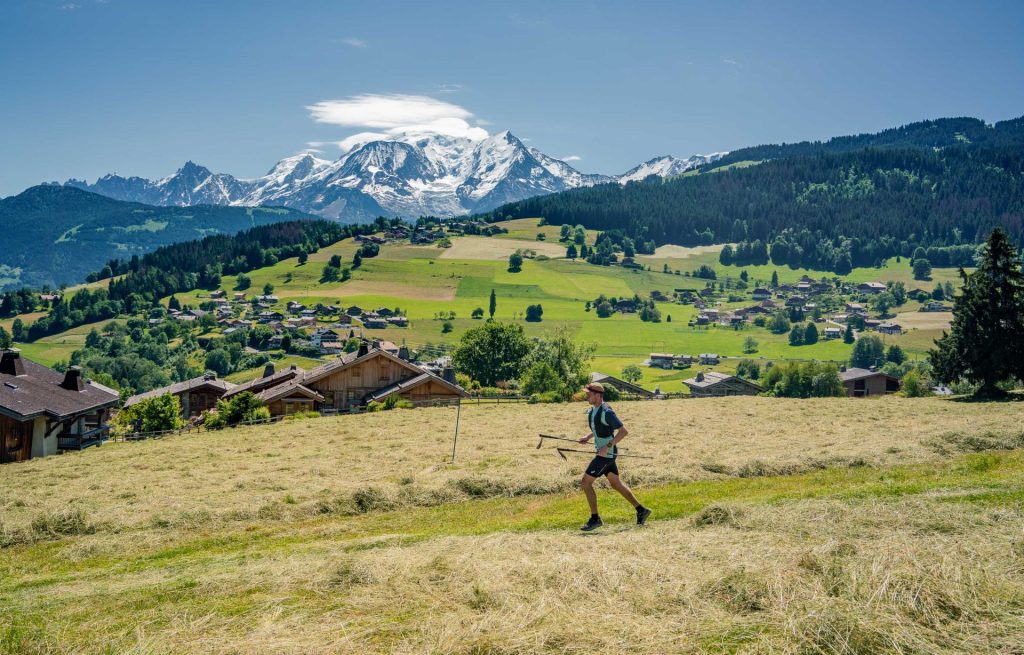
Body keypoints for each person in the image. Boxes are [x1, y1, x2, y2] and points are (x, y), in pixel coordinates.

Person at [577, 382, 651, 531]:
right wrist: (588, 436)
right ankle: (641, 510)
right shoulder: (593, 410)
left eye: (588, 394)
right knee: (615, 483)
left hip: (607, 454)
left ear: (598, 395)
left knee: (585, 483)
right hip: (603, 452)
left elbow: (623, 431)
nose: (587, 396)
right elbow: (600, 428)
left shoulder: (607, 411)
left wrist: (607, 446)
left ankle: (595, 518)